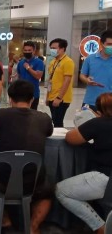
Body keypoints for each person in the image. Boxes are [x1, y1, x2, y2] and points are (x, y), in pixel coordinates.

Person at [0, 80, 54, 234]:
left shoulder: (0, 114)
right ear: (32, 99)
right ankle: (33, 226)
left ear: (10, 99)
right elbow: (48, 132)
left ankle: (5, 222)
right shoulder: (44, 118)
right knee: (48, 192)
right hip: (34, 182)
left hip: (2, 182)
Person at [56, 93, 112, 234]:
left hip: (105, 177)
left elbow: (71, 138)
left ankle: (100, 227)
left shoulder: (99, 123)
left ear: (99, 110)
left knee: (61, 191)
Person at [79, 29, 112, 111]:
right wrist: (87, 80)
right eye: (109, 44)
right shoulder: (90, 59)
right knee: (87, 122)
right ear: (101, 43)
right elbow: (82, 75)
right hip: (90, 101)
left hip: (109, 103)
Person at [45, 38, 75, 127]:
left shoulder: (68, 62)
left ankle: (59, 140)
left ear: (62, 49)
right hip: (52, 96)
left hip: (62, 98)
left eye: (54, 48)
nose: (52, 50)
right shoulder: (53, 62)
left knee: (58, 122)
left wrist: (59, 97)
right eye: (51, 48)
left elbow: (67, 80)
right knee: (54, 121)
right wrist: (47, 97)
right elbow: (50, 81)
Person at [17, 41, 44, 110]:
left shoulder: (39, 62)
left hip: (33, 93)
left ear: (34, 51)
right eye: (25, 50)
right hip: (21, 93)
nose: (27, 52)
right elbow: (19, 76)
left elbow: (38, 76)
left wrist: (28, 68)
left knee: (32, 115)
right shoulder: (21, 62)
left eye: (29, 50)